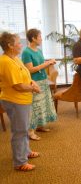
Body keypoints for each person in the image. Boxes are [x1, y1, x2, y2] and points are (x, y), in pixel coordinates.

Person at [0, 32, 41, 171]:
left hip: (23, 100)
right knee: (19, 131)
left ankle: (26, 151)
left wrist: (32, 82)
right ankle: (19, 162)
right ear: (10, 45)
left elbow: (25, 75)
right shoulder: (6, 61)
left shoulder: (15, 58)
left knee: (23, 129)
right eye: (18, 42)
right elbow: (17, 85)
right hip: (15, 101)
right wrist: (33, 88)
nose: (21, 44)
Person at [22, 29, 57, 140]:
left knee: (42, 104)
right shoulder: (26, 52)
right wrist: (47, 64)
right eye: (40, 37)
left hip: (43, 80)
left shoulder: (38, 50)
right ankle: (30, 131)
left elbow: (41, 65)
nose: (41, 39)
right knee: (35, 106)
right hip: (34, 82)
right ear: (33, 38)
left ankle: (40, 126)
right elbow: (30, 69)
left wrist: (48, 62)